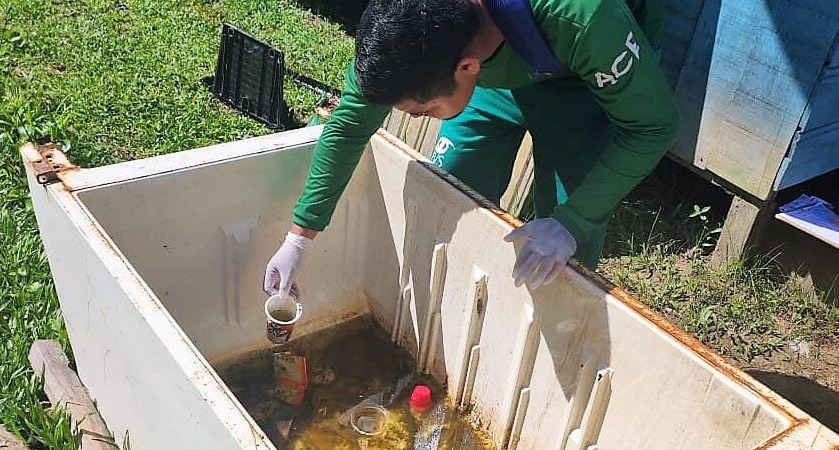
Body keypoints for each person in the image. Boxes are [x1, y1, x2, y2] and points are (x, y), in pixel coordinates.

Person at [265, 0, 679, 299]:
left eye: (425, 111)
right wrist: (300, 235)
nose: (418, 118)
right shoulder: (407, 26)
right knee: (450, 189)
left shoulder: (581, 16)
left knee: (565, 254)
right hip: (492, 64)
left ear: (466, 67)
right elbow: (348, 128)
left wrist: (572, 222)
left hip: (580, 77)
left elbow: (652, 127)